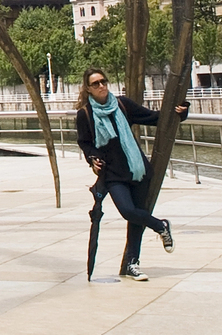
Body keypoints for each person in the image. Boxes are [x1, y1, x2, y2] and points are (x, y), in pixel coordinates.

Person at [77, 68, 187, 280]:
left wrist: (181, 112)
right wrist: (92, 158)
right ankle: (160, 225)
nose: (101, 86)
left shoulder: (122, 105)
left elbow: (155, 118)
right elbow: (85, 143)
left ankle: (132, 264)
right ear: (88, 89)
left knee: (136, 220)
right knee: (128, 211)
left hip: (137, 170)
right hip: (113, 174)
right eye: (96, 84)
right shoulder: (85, 114)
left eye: (103, 81)